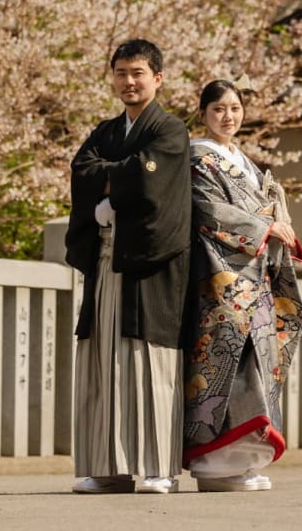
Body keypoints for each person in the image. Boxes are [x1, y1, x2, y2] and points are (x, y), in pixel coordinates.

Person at [65, 39, 192, 495]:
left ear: (158, 78)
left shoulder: (172, 131)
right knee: (102, 359)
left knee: (148, 362)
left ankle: (161, 468)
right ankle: (108, 466)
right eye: (120, 73)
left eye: (137, 73)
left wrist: (109, 185)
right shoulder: (104, 130)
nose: (128, 81)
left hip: (149, 265)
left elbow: (149, 177)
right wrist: (119, 178)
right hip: (105, 262)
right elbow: (82, 170)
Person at [183, 79, 302, 492]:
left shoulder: (248, 164)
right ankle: (215, 464)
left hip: (256, 279)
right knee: (224, 366)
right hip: (223, 280)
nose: (228, 116)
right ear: (203, 114)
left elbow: (268, 207)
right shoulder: (198, 159)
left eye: (235, 108)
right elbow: (207, 209)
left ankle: (247, 461)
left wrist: (276, 220)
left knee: (256, 368)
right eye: (218, 109)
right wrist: (264, 225)